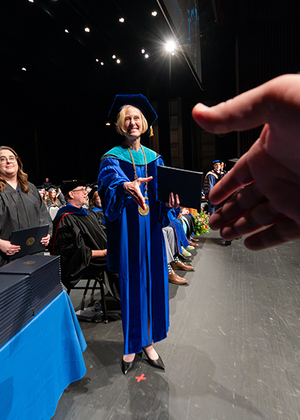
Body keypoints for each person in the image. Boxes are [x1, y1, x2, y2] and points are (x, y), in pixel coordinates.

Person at [97, 94, 180, 375]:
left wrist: (169, 203)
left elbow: (162, 197)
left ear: (144, 124)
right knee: (133, 287)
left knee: (155, 284)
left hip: (152, 231)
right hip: (128, 233)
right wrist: (124, 187)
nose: (132, 123)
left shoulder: (155, 159)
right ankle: (131, 345)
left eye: (137, 118)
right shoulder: (111, 158)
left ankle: (149, 342)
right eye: (127, 118)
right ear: (121, 124)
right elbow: (108, 185)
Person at [192, 73, 300, 251]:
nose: (218, 167)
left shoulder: (224, 174)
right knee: (225, 219)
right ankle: (226, 236)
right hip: (220, 200)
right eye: (216, 165)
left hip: (229, 197)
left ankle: (231, 235)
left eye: (220, 165)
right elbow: (211, 189)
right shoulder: (213, 175)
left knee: (234, 218)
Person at [50, 180, 119, 300]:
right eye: (82, 190)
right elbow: (73, 254)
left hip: (102, 256)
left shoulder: (88, 214)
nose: (85, 193)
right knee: (121, 261)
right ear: (71, 194)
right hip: (84, 263)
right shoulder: (65, 219)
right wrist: (104, 252)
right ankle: (131, 300)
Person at [0, 146, 52, 266]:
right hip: (4, 258)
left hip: (33, 253)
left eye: (12, 158)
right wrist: (0, 244)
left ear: (18, 162)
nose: (8, 161)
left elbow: (43, 215)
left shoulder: (30, 188)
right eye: (2, 159)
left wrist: (47, 234)